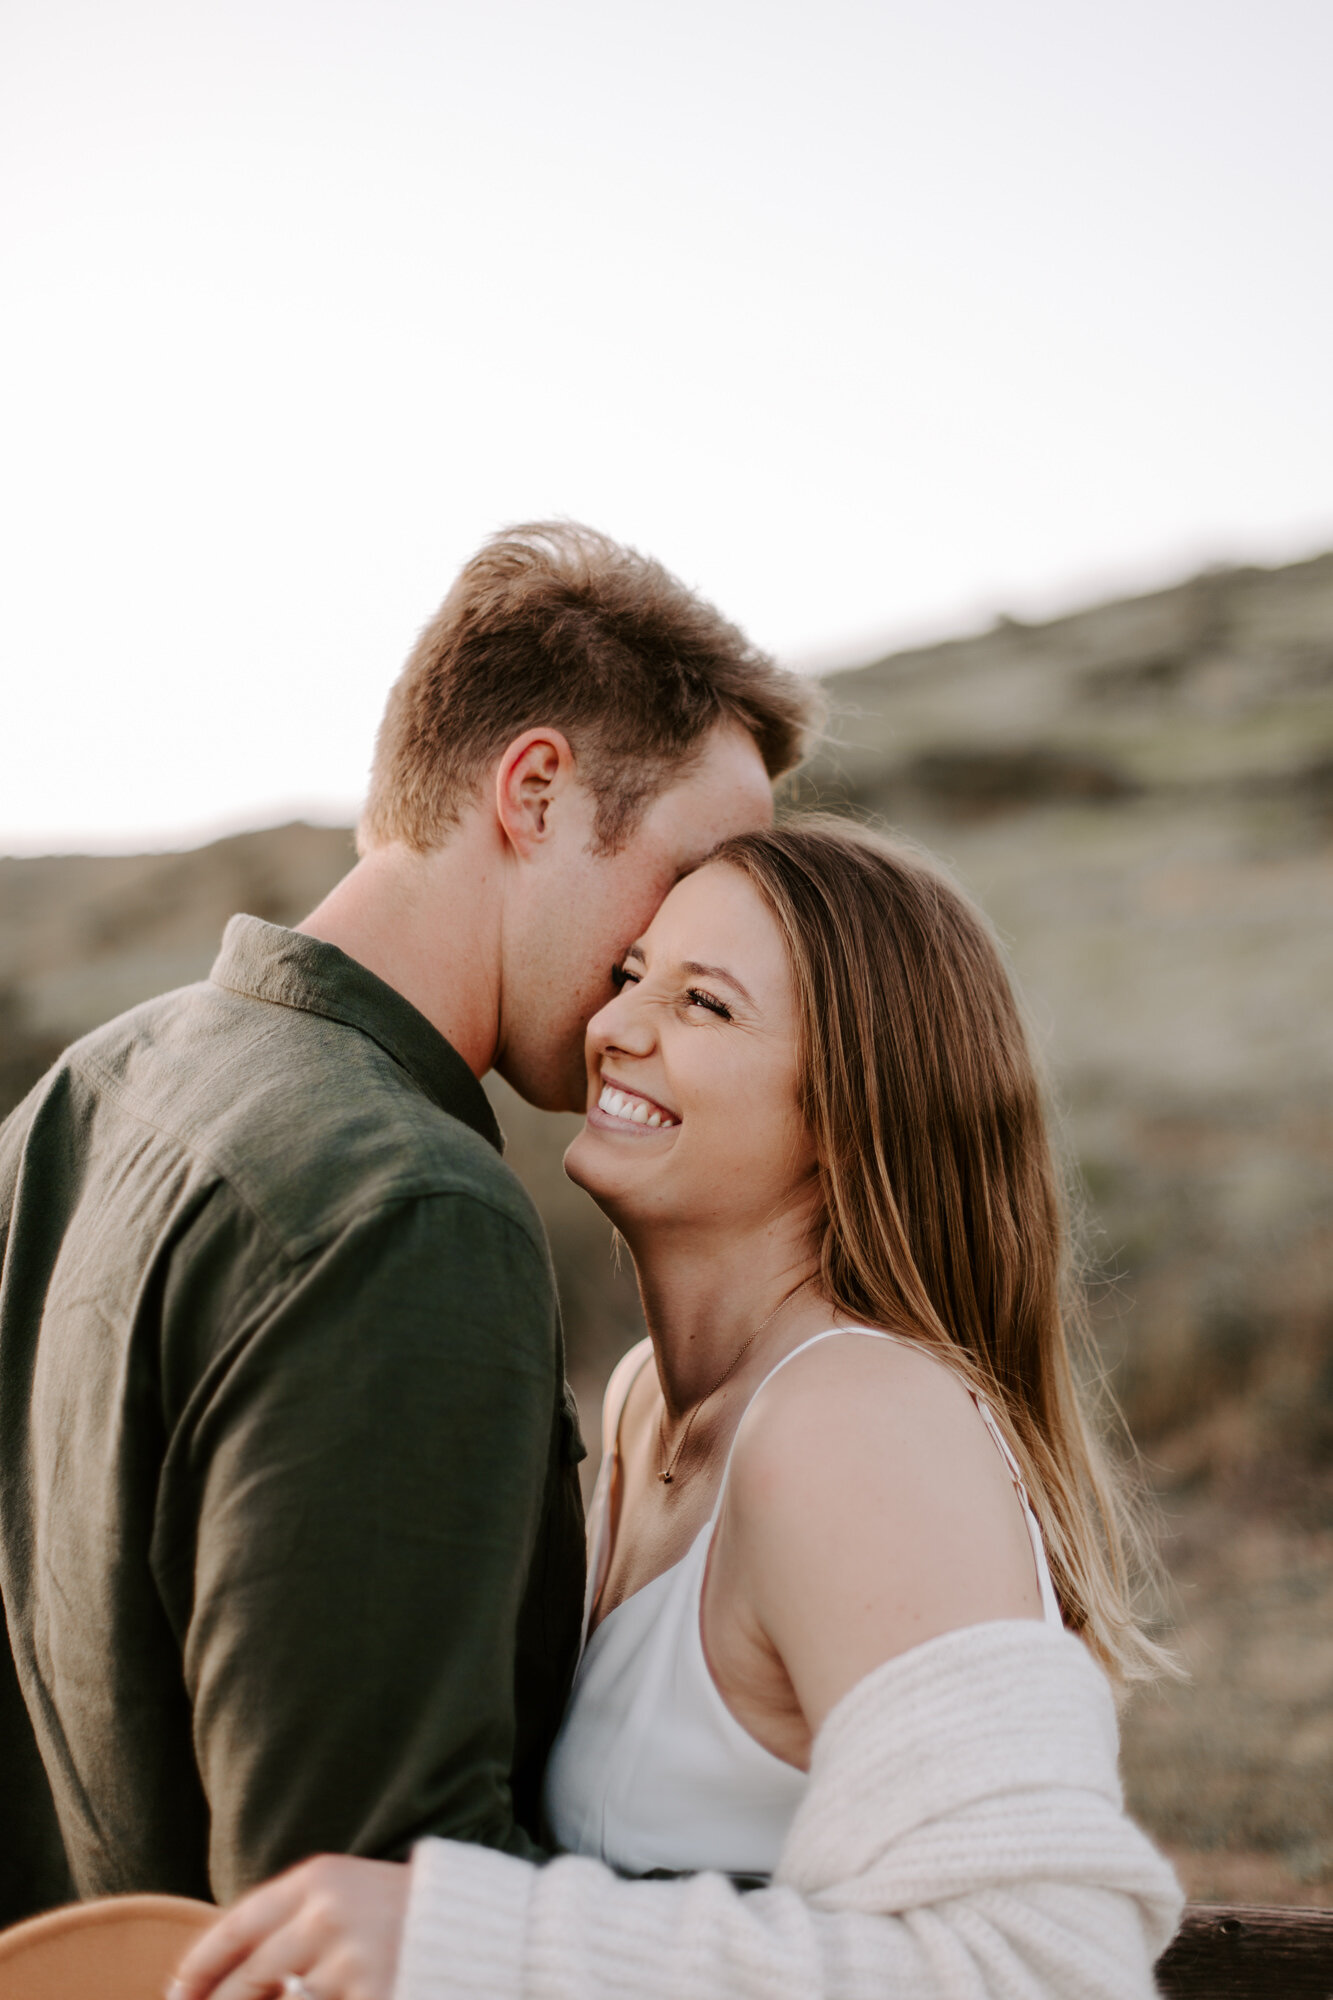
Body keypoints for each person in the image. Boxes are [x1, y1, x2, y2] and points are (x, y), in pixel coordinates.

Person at [172, 820, 1183, 2000]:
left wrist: (476, 1941)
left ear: (857, 1106)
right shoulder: (652, 1396)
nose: (615, 1028)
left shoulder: (854, 1420)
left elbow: (1048, 1969)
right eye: (629, 973)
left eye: (705, 1003)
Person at [0, 522, 815, 1924]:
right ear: (537, 789)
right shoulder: (410, 1207)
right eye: (690, 871)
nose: (686, 941)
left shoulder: (92, 1085)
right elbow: (375, 1899)